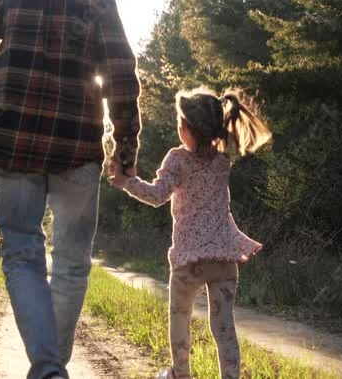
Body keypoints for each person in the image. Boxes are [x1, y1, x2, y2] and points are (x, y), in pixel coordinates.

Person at [0, 0, 141, 379]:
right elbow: (120, 71)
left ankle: (47, 368)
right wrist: (126, 141)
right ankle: (50, 368)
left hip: (12, 141)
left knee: (22, 254)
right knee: (73, 261)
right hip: (75, 146)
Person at [106, 87, 272, 379]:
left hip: (189, 261)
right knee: (224, 330)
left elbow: (157, 196)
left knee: (180, 320)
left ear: (187, 129)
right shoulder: (223, 161)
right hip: (224, 259)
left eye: (180, 123)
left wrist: (126, 181)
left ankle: (180, 374)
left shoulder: (177, 158)